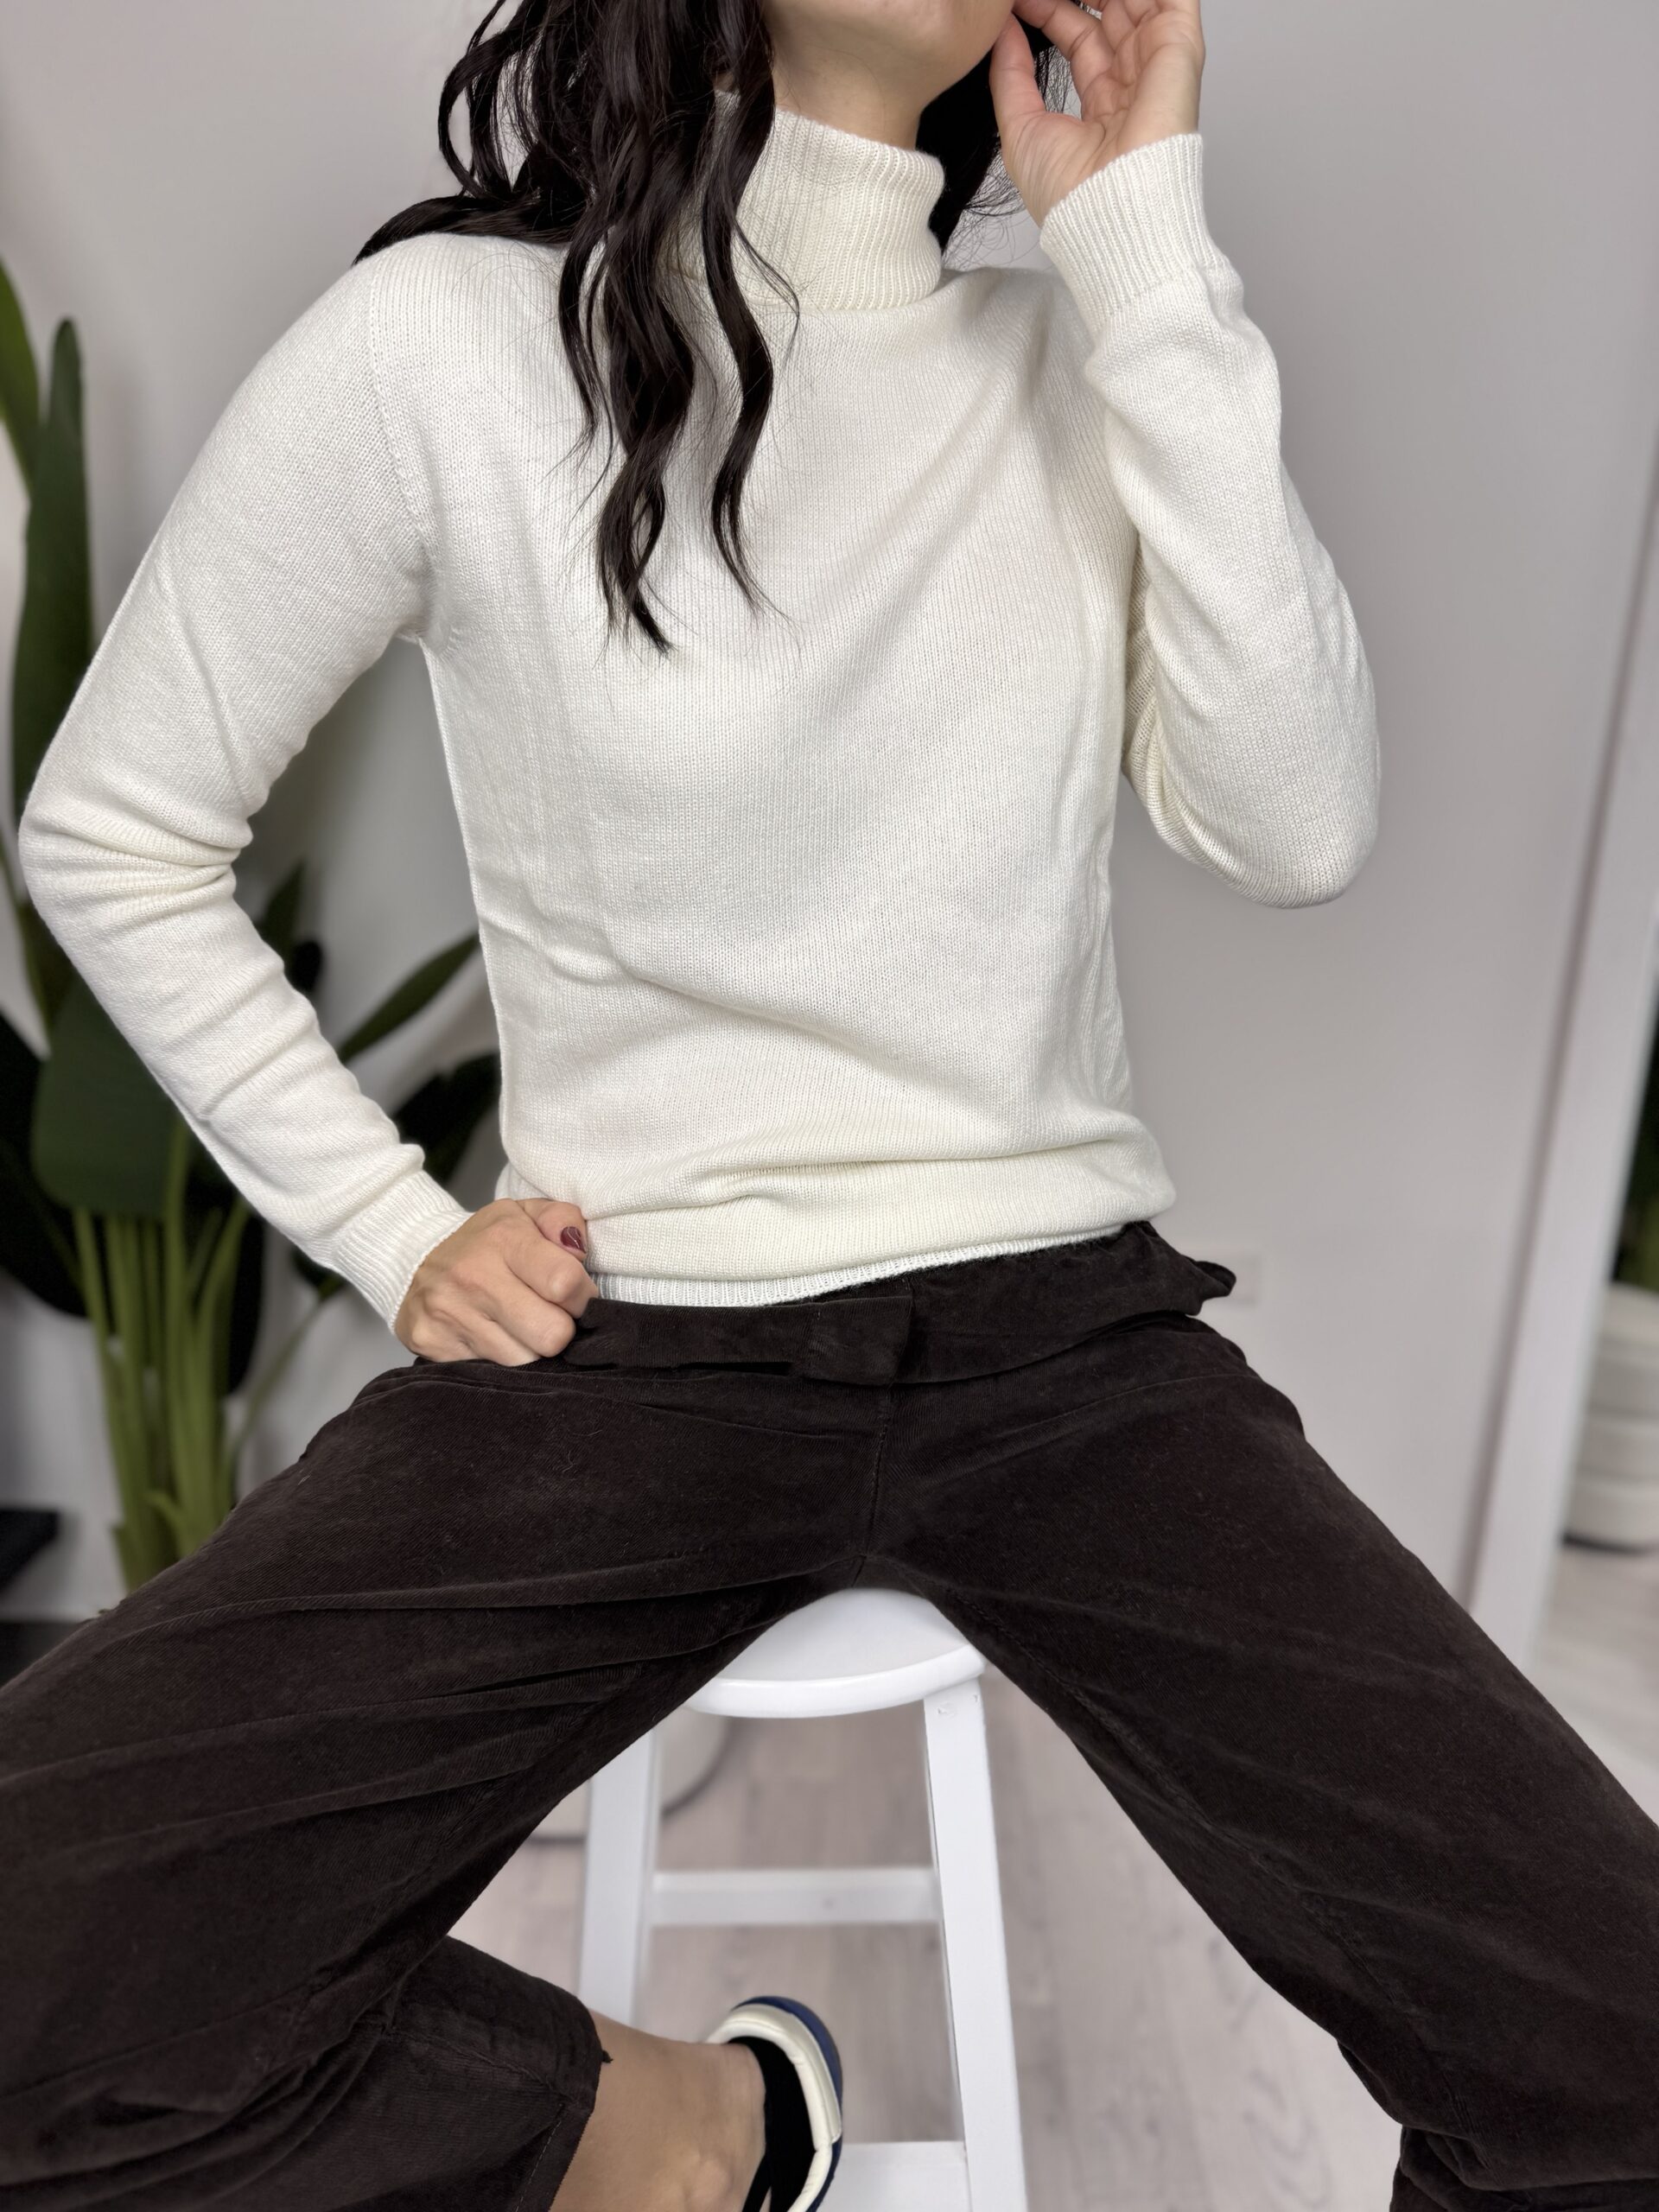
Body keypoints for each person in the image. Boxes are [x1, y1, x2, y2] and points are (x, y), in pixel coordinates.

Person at [6, 0, 1659, 2206]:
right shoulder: (451, 343)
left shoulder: (1080, 356)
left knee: (1624, 2057)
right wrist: (393, 1228)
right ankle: (679, 2128)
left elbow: (1300, 821)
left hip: (1063, 1348)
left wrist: (1142, 244)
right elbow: (114, 826)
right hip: (635, 1345)